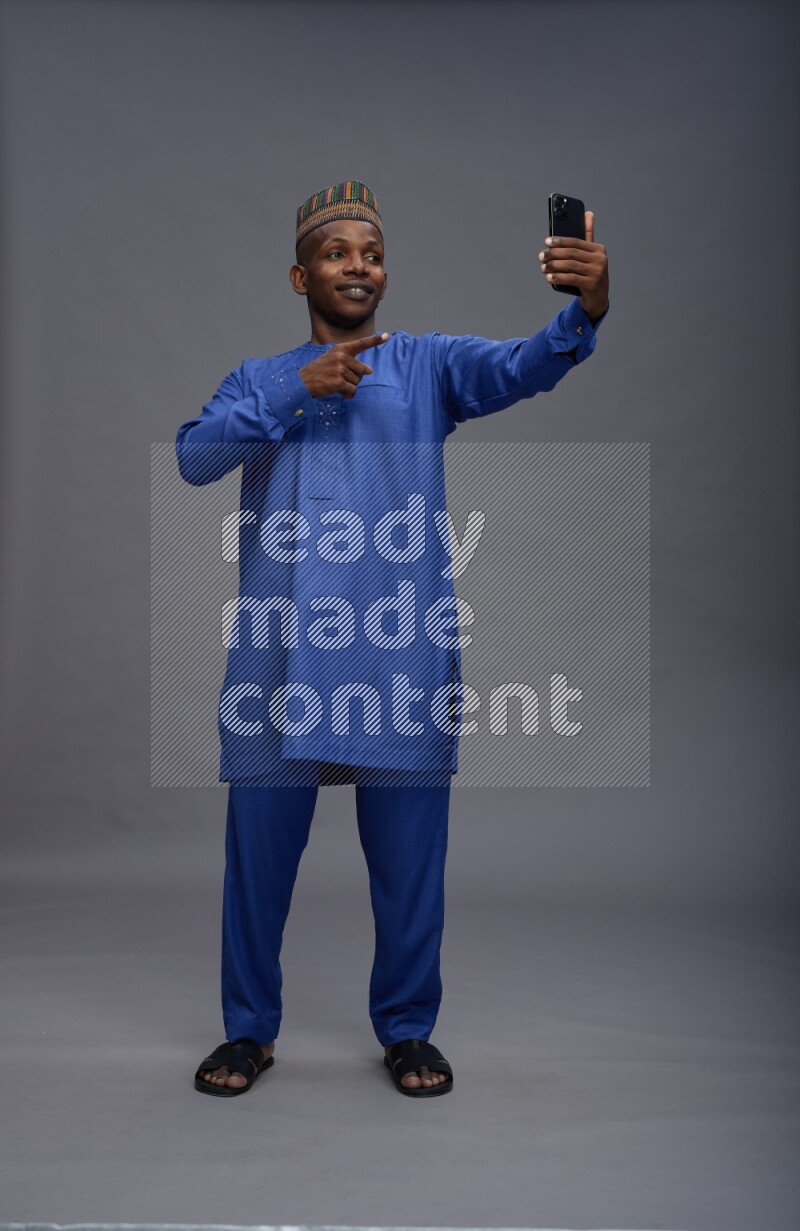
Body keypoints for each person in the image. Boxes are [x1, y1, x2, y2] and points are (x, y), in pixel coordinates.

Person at [175, 179, 609, 1098]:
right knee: (256, 865)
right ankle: (248, 1031)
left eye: (371, 253)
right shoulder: (260, 378)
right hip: (278, 661)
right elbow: (193, 457)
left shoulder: (426, 367)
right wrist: (297, 391)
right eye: (338, 253)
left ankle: (408, 1030)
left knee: (411, 865)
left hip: (396, 655)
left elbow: (521, 366)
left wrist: (584, 312)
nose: (358, 266)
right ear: (301, 275)